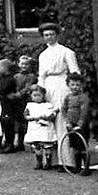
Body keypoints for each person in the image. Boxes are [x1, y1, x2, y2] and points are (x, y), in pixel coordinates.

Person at [37, 23, 78, 167]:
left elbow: (74, 73)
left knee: (61, 120)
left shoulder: (67, 52)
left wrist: (73, 92)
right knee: (49, 121)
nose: (49, 37)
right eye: (46, 35)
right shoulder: (43, 55)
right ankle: (51, 160)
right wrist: (39, 94)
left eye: (52, 34)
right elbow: (41, 76)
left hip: (62, 85)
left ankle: (66, 161)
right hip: (48, 87)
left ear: (57, 35)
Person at [61, 73, 92, 173]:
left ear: (81, 85)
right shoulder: (68, 97)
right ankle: (77, 166)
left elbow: (84, 111)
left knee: (83, 146)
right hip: (71, 125)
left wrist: (80, 124)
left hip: (81, 126)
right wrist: (67, 122)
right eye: (73, 84)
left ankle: (86, 168)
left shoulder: (83, 97)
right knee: (74, 146)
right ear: (68, 85)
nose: (75, 87)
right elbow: (63, 109)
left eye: (78, 85)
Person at [23, 85, 57, 170]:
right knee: (37, 146)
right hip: (35, 128)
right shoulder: (29, 105)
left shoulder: (47, 105)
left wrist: (45, 117)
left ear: (43, 96)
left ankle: (48, 163)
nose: (37, 97)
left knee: (47, 146)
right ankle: (39, 162)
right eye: (35, 95)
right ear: (31, 96)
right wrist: (32, 118)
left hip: (45, 128)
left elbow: (52, 115)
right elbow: (26, 115)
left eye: (39, 95)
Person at [0, 58, 24, 154]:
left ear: (5, 68)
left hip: (9, 106)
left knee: (8, 125)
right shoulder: (1, 78)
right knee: (3, 124)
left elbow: (2, 90)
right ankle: (5, 142)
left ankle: (10, 144)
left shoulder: (10, 79)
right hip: (2, 105)